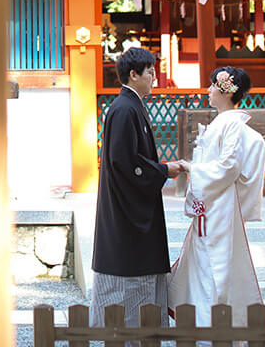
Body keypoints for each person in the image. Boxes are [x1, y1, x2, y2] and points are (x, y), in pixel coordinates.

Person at [91, 47, 183, 330]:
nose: (154, 78)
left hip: (131, 204)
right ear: (133, 75)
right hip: (125, 211)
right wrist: (163, 170)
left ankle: (137, 333)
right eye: (150, 73)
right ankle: (130, 332)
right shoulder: (123, 109)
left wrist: (160, 170)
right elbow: (124, 162)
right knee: (131, 276)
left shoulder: (130, 106)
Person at [168, 66, 265, 326]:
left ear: (226, 91)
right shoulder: (225, 122)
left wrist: (193, 168)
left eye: (213, 85)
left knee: (216, 262)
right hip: (213, 203)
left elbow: (229, 167)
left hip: (219, 205)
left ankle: (213, 321)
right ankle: (204, 319)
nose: (209, 90)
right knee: (205, 259)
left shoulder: (232, 124)